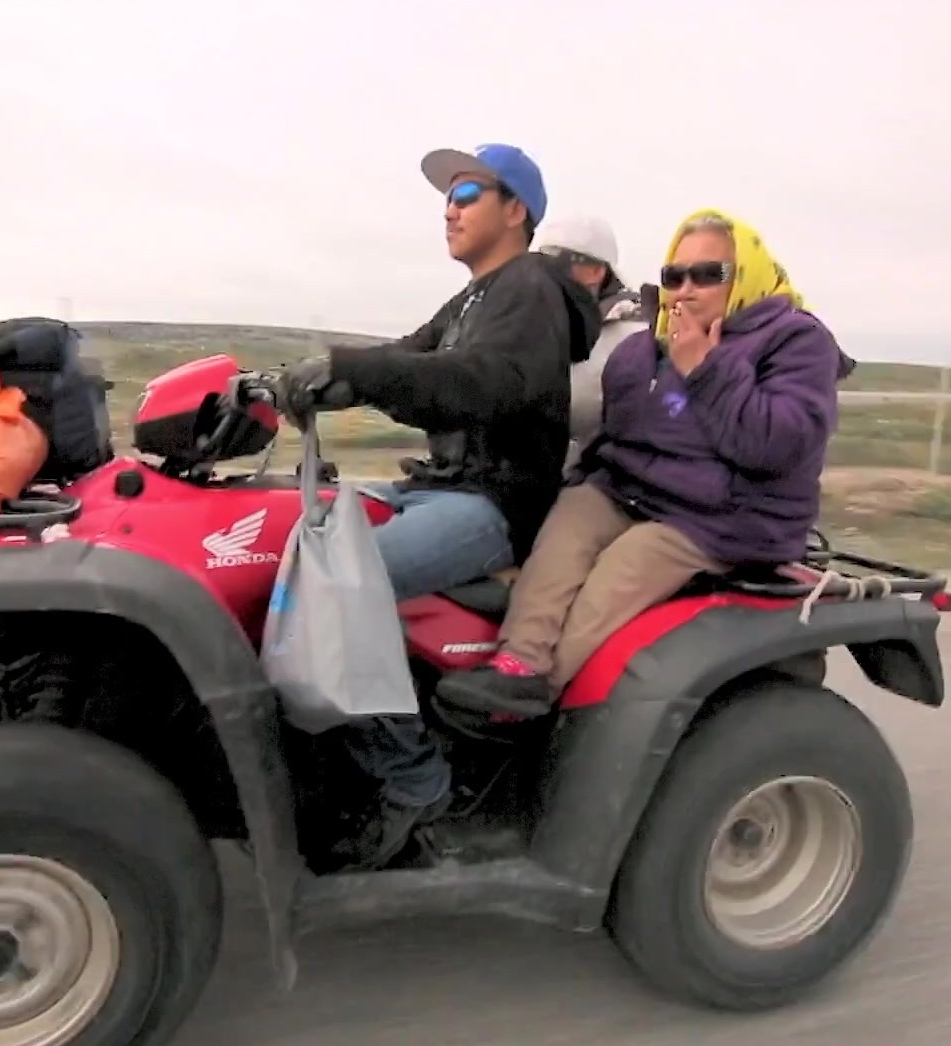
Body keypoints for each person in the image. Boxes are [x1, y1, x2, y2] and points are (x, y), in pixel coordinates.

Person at [278, 143, 600, 868]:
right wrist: (317, 382)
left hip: (494, 503)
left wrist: (355, 371)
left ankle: (414, 777)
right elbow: (414, 357)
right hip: (440, 486)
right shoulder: (475, 297)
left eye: (467, 193)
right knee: (290, 531)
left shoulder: (531, 289)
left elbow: (483, 380)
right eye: (447, 196)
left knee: (337, 581)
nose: (449, 208)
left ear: (515, 210)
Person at [436, 208, 854, 719]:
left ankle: (538, 700)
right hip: (633, 491)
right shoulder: (643, 348)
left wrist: (704, 368)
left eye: (707, 274)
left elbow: (774, 446)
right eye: (675, 276)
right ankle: (519, 665)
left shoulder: (795, 342)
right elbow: (620, 436)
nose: (686, 290)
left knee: (620, 569)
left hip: (723, 516)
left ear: (745, 273)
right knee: (567, 526)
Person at [533, 215, 652, 471]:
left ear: (596, 271)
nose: (541, 273)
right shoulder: (545, 323)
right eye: (538, 262)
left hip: (604, 477)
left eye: (556, 262)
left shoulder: (633, 337)